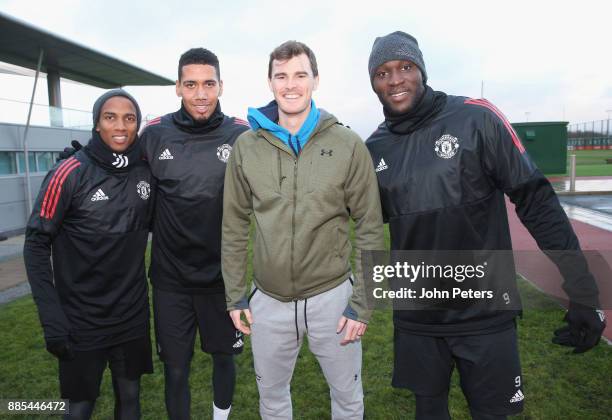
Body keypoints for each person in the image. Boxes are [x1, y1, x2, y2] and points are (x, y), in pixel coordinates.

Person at [365, 31, 606, 420]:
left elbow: (536, 201)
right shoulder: (374, 149)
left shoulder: (475, 117)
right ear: (373, 82)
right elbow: (354, 221)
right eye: (382, 72)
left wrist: (582, 290)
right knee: (428, 411)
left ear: (421, 70)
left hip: (484, 312)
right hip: (418, 317)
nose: (395, 80)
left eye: (405, 67)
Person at [222, 40, 385, 420]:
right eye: (281, 76)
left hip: (332, 298)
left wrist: (363, 303)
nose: (290, 84)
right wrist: (235, 296)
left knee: (347, 398)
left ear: (315, 80)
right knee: (273, 399)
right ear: (270, 82)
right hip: (268, 301)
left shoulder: (347, 144)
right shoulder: (246, 147)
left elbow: (370, 227)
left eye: (299, 74)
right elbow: (233, 226)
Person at [24, 89, 154, 420]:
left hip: (132, 314)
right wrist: (51, 317)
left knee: (130, 398)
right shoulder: (70, 172)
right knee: (79, 407)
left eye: (129, 118)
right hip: (82, 319)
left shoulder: (146, 170)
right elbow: (36, 244)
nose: (121, 126)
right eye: (110, 117)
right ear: (97, 124)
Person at [139, 48, 249, 420]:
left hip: (223, 278)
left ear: (220, 86)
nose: (200, 93)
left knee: (223, 359)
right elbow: (127, 184)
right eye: (191, 85)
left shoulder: (241, 134)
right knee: (176, 368)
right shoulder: (154, 134)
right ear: (178, 88)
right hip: (171, 280)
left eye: (208, 84)